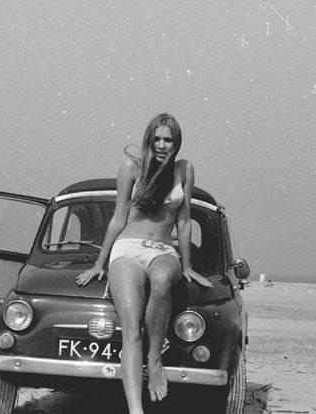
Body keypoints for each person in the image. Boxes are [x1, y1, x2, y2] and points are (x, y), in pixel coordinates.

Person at [75, 113, 213, 414]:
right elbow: (118, 217)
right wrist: (100, 263)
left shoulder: (184, 170)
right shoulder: (131, 168)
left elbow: (184, 220)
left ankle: (154, 358)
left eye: (169, 140)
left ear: (176, 143)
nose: (162, 145)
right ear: (149, 139)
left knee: (162, 281)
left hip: (163, 250)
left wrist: (187, 266)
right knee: (131, 329)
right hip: (127, 249)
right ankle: (136, 410)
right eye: (157, 139)